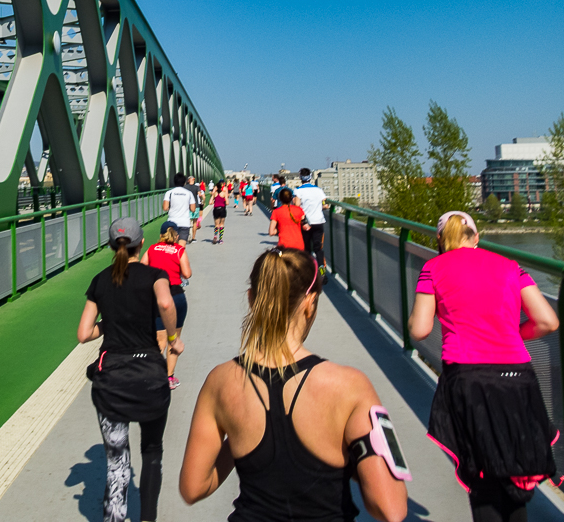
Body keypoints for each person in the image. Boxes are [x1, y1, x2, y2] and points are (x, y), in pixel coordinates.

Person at [179, 248, 409, 522]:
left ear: (252, 300)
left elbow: (193, 488)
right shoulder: (351, 386)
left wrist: (237, 433)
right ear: (310, 302)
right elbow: (390, 509)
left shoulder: (220, 381)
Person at [409, 212, 560, 522]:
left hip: (468, 378)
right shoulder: (510, 266)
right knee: (515, 474)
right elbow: (547, 321)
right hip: (518, 377)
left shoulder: (432, 268)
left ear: (440, 240)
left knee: (482, 479)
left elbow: (420, 329)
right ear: (476, 237)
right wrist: (512, 334)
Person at [77, 217, 186, 522]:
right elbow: (166, 304)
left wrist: (107, 324)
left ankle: (115, 516)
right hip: (150, 376)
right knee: (152, 452)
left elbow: (84, 333)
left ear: (112, 246)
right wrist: (174, 340)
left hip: (111, 380)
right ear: (141, 244)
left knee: (116, 460)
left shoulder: (99, 280)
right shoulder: (155, 274)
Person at [142, 221, 193, 389]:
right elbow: (187, 273)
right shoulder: (179, 250)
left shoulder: (152, 249)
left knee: (159, 339)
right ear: (176, 235)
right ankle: (169, 377)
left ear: (161, 234)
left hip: (156, 295)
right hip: (176, 296)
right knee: (174, 338)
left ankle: (152, 376)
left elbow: (141, 268)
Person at [294, 168, 328, 268]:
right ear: (310, 177)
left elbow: (297, 207)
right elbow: (324, 203)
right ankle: (322, 272)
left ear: (301, 178)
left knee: (306, 248)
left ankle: (309, 272)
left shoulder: (298, 191)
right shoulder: (318, 190)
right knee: (318, 248)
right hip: (319, 221)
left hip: (305, 223)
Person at [163, 172, 197, 245]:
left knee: (172, 247)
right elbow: (193, 209)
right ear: (184, 183)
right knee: (181, 248)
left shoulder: (169, 193)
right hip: (184, 223)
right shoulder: (189, 193)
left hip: (172, 222)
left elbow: (165, 207)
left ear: (174, 182)